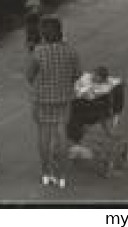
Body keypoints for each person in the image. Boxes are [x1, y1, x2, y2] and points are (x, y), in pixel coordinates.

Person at [27, 15, 81, 189]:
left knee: (44, 135)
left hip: (42, 100)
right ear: (61, 32)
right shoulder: (71, 51)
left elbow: (29, 76)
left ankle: (46, 174)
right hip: (64, 99)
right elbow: (77, 74)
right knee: (61, 134)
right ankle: (62, 176)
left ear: (43, 35)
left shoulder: (38, 52)